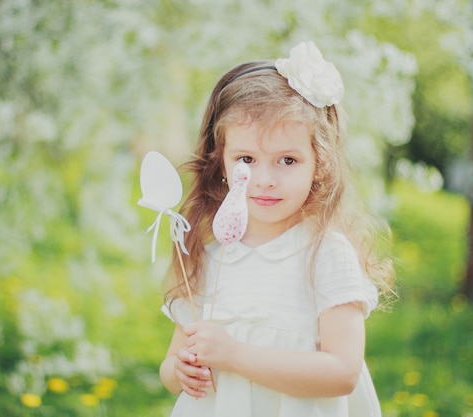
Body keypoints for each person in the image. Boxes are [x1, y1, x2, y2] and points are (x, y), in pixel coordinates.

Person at [158, 41, 395, 417]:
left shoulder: (325, 253)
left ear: (319, 164)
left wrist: (235, 355)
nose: (264, 179)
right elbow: (171, 365)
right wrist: (179, 370)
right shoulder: (210, 257)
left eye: (287, 160)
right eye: (246, 159)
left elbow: (343, 372)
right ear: (222, 161)